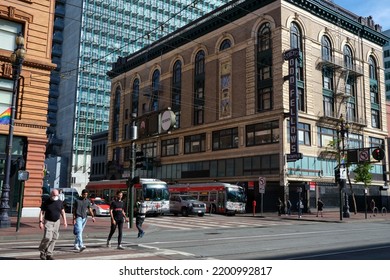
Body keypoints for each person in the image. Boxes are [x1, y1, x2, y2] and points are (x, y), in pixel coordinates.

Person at [38, 189, 68, 260]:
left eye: (57, 195)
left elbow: (63, 212)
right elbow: (42, 212)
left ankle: (49, 254)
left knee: (54, 238)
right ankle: (42, 251)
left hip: (57, 222)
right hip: (48, 222)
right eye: (54, 195)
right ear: (51, 195)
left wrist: (65, 221)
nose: (56, 196)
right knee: (48, 237)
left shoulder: (60, 202)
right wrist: (40, 222)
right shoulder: (46, 202)